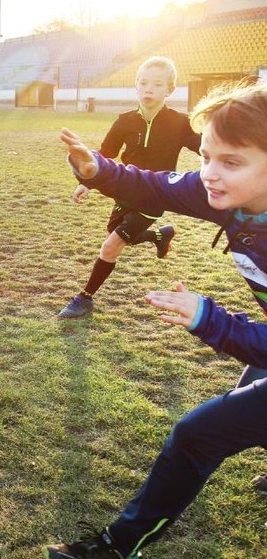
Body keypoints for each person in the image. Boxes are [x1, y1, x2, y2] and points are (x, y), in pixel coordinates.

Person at [44, 82, 267, 558]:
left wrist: (211, 318)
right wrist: (96, 169)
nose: (209, 173)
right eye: (206, 156)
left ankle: (116, 548)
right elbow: (151, 184)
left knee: (197, 434)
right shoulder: (223, 193)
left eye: (231, 161)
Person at [58, 56, 200, 319]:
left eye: (157, 84)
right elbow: (104, 154)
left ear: (169, 90)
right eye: (143, 82)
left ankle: (84, 298)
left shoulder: (181, 122)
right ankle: (159, 236)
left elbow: (206, 147)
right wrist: (85, 183)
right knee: (116, 232)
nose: (149, 89)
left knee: (111, 245)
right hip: (125, 190)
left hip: (156, 196)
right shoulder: (124, 120)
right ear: (136, 85)